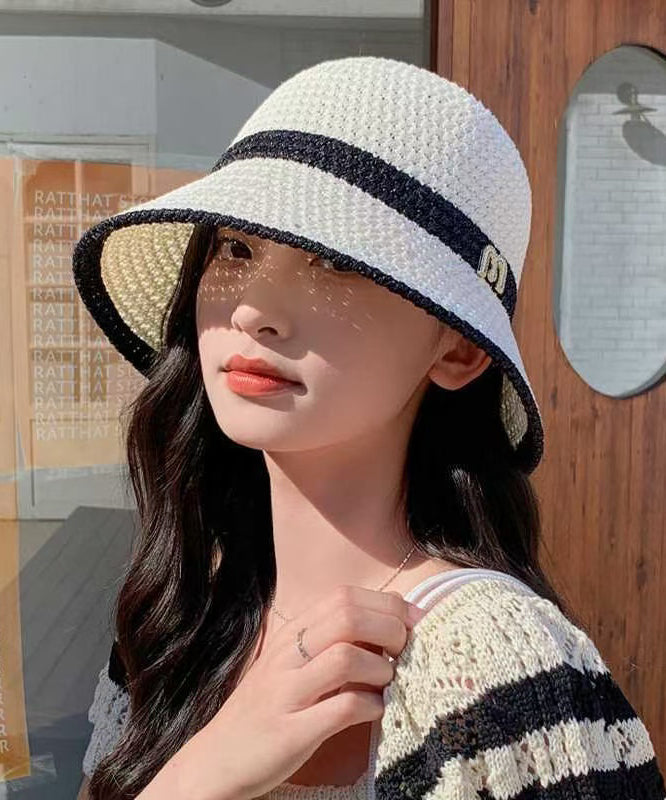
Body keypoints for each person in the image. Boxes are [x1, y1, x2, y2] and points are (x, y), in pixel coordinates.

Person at [72, 56, 665, 800]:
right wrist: (200, 773)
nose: (254, 311)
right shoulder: (182, 622)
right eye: (236, 248)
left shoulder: (490, 664)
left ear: (459, 348)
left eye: (333, 261)